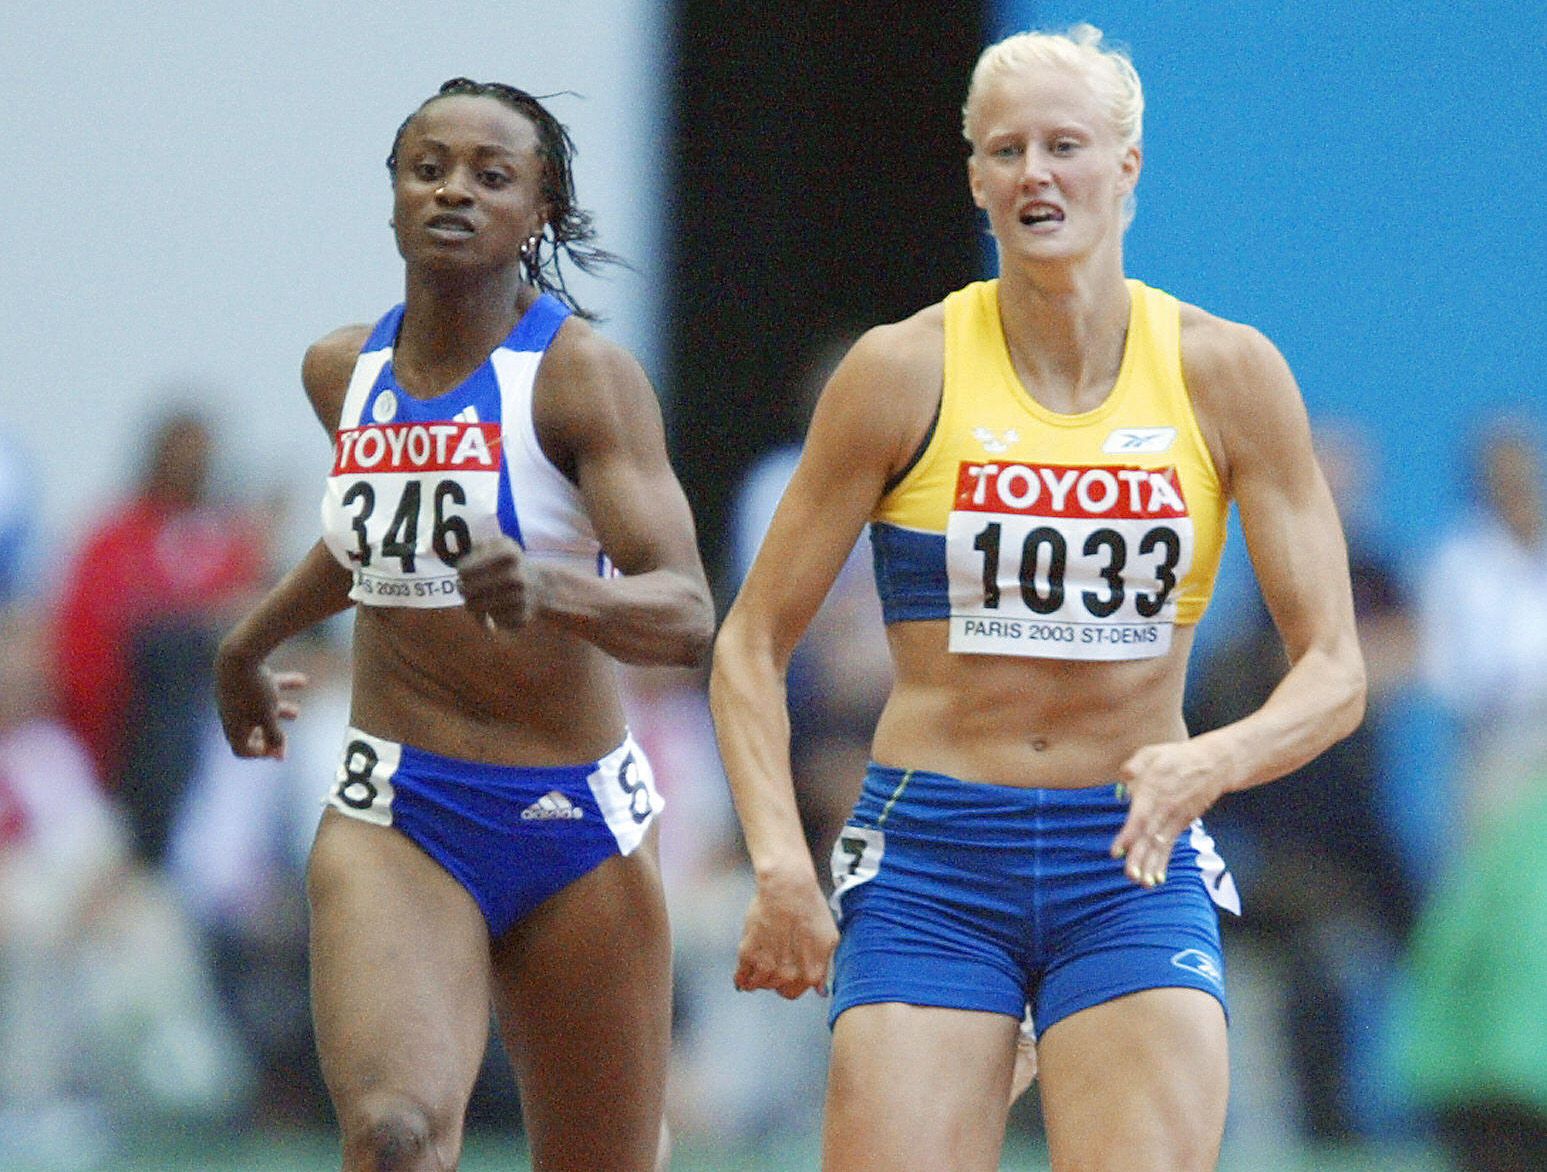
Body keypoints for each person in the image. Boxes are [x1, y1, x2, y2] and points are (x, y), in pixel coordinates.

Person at [709, 25, 1365, 1172]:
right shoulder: (900, 371)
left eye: (1065, 145)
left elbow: (1334, 669)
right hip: (931, 856)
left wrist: (1211, 760)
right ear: (974, 177)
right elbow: (750, 645)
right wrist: (777, 862)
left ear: (1127, 167)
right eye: (1005, 150)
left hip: (1129, 856)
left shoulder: (1224, 372)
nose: (1035, 173)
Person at [213, 79, 713, 1172]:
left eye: (493, 176)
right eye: (427, 167)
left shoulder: (580, 377)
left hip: (572, 819)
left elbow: (686, 615)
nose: (454, 191)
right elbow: (372, 545)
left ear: (538, 212)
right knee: (394, 1136)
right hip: (400, 807)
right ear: (391, 197)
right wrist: (247, 643)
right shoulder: (343, 372)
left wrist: (556, 589)